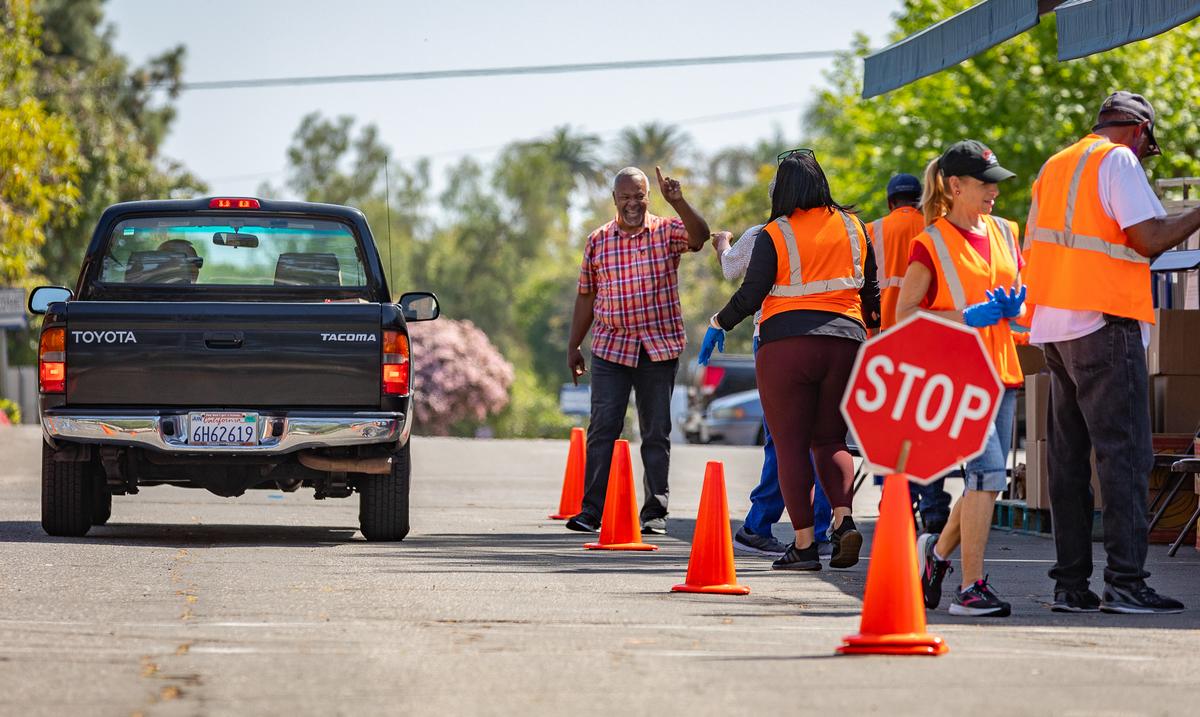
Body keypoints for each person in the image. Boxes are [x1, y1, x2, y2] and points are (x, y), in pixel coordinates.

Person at [1024, 92, 1198, 614]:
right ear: (1140, 132)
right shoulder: (1117, 159)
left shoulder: (1055, 164)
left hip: (1056, 325)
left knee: (1070, 462)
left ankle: (1070, 585)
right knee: (1124, 457)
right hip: (1105, 322)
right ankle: (1126, 581)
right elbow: (1147, 238)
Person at [700, 149, 879, 571]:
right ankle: (843, 520)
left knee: (790, 446)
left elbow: (752, 293)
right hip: (846, 342)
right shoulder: (855, 226)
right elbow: (872, 291)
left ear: (783, 190)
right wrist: (870, 332)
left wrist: (719, 323)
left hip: (787, 346)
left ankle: (802, 546)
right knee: (832, 439)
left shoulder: (775, 233)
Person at [900, 140, 1024, 618]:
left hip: (1002, 370)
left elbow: (1019, 304)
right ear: (955, 186)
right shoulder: (930, 242)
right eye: (984, 183)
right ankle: (970, 588)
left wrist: (1016, 313)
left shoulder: (1007, 233)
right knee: (987, 474)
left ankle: (934, 554)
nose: (994, 191)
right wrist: (966, 316)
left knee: (986, 482)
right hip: (958, 378)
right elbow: (906, 315)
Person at [566, 166, 711, 535]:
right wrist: (573, 345)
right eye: (625, 197)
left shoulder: (666, 231)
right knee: (603, 428)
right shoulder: (598, 240)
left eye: (639, 196)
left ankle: (654, 513)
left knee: (656, 432)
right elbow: (586, 295)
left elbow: (700, 237)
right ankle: (591, 511)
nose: (633, 203)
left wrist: (677, 201)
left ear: (649, 196)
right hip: (612, 347)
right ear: (615, 199)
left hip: (658, 348)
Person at [709, 185, 832, 558]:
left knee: (786, 439)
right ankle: (817, 529)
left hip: (777, 341)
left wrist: (722, 244)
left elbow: (732, 270)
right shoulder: (829, 234)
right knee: (816, 439)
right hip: (822, 340)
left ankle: (771, 525)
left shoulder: (763, 234)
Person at [866, 173, 951, 535]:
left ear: (890, 202)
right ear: (920, 200)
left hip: (885, 340)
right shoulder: (938, 230)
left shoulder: (871, 232)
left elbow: (862, 290)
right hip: (928, 336)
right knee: (927, 426)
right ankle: (933, 507)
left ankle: (894, 502)